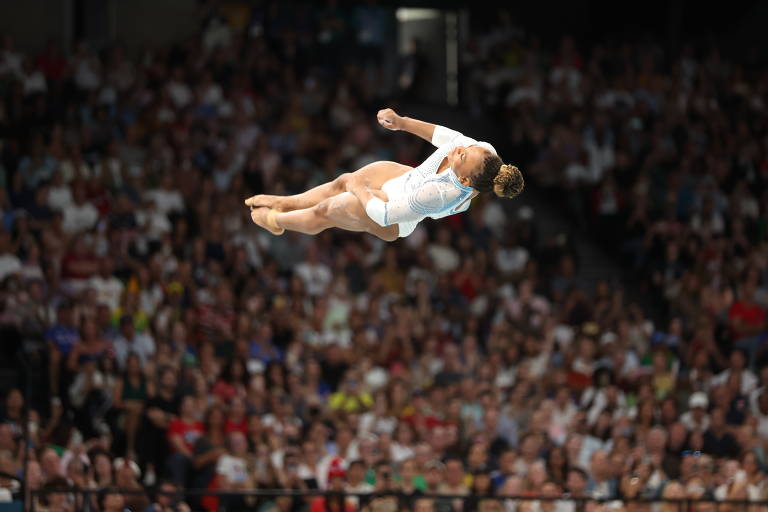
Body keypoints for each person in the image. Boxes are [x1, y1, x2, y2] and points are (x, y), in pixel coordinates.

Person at [245, 108, 523, 241]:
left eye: (461, 155)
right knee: (342, 181)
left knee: (330, 208)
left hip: (395, 216)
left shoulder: (441, 194)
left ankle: (276, 220)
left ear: (463, 181)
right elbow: (446, 135)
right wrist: (402, 123)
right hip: (410, 178)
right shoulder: (485, 153)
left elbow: (384, 213)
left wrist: (360, 189)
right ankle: (285, 202)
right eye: (466, 148)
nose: (460, 148)